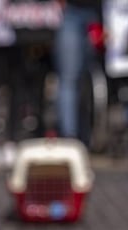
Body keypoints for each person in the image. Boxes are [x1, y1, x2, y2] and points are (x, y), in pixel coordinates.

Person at [54, 0, 102, 144]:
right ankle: (69, 138)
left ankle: (85, 136)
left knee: (87, 80)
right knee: (69, 78)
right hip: (70, 12)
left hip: (101, 14)